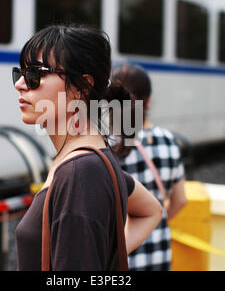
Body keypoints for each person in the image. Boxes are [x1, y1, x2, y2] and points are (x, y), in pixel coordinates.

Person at [13, 25, 162, 271]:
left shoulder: (80, 172)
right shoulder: (89, 158)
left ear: (81, 87)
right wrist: (107, 256)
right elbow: (151, 210)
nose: (20, 84)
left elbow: (151, 211)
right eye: (19, 73)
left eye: (34, 74)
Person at [111, 63, 187, 271]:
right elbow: (180, 200)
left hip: (123, 255)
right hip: (159, 253)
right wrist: (156, 221)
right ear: (149, 100)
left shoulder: (108, 144)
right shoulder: (168, 140)